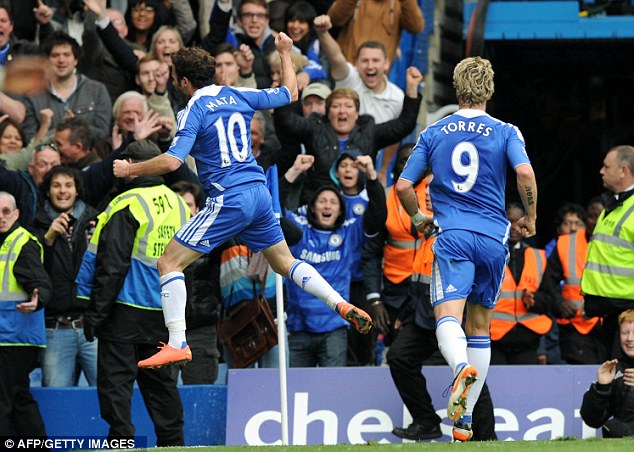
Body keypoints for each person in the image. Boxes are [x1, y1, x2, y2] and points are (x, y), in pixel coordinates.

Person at [111, 34, 373, 369]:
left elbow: (172, 162)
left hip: (229, 197)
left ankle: (177, 342)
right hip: (258, 193)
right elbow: (290, 94)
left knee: (169, 264)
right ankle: (339, 303)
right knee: (284, 263)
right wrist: (284, 53)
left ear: (185, 81)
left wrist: (130, 169)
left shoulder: (192, 109)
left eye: (175, 78)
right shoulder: (237, 94)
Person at [395, 56, 538, 441]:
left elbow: (403, 187)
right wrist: (531, 216)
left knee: (448, 318)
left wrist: (419, 218)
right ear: (489, 90)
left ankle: (459, 368)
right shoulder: (507, 130)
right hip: (494, 239)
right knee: (479, 328)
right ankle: (464, 420)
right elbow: (524, 173)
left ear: (457, 89)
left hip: (454, 235)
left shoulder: (435, 131)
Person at [76, 140, 189, 445]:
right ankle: (174, 446)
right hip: (165, 313)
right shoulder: (178, 202)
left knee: (116, 388)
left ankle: (121, 444)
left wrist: (94, 314)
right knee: (163, 390)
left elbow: (112, 265)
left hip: (124, 311)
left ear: (130, 164)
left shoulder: (127, 203)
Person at [388, 175, 497, 442]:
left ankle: (485, 437)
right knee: (399, 357)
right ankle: (426, 421)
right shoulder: (428, 230)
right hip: (424, 318)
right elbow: (419, 277)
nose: (425, 195)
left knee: (468, 375)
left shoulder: (457, 232)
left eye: (432, 191)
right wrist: (405, 314)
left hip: (452, 318)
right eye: (425, 191)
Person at [280, 153, 386, 367]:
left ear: (340, 211)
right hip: (299, 328)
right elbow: (274, 210)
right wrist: (294, 171)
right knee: (296, 393)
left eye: (332, 202)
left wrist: (372, 176)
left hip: (334, 329)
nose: (327, 206)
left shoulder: (349, 232)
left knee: (331, 391)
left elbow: (377, 214)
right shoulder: (299, 230)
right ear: (312, 207)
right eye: (322, 201)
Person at [32, 165, 99, 387]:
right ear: (48, 191)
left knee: (111, 397)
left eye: (68, 185)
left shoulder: (95, 220)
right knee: (56, 399)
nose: (63, 191)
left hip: (92, 328)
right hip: (55, 328)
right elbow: (31, 272)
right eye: (56, 185)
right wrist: (47, 240)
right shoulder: (36, 225)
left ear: (77, 190)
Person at [0, 191, 51, 437]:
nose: (1, 217)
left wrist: (38, 296)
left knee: (3, 398)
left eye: (6, 212)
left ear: (17, 214)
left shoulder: (22, 241)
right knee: (19, 397)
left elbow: (39, 279)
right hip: (11, 336)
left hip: (14, 336)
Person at [582, 145, 634, 357]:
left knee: (625, 382)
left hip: (628, 314)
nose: (601, 171)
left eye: (606, 166)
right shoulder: (614, 204)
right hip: (610, 313)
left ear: (623, 170)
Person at [170, 180, 221, 384]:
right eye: (178, 205)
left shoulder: (213, 238)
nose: (184, 210)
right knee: (161, 398)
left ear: (197, 209)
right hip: (164, 329)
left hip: (202, 328)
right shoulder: (156, 237)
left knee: (200, 395)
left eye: (188, 205)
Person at [21, 31, 113, 143]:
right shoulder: (33, 96)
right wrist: (61, 129)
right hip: (48, 159)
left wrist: (76, 127)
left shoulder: (97, 90)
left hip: (89, 159)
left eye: (67, 55)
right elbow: (29, 141)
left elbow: (103, 133)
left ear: (76, 60)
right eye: (55, 55)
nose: (61, 60)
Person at [490, 202, 552, 364]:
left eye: (518, 222)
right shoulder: (487, 254)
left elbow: (550, 299)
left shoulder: (538, 257)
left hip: (528, 339)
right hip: (494, 338)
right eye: (509, 221)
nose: (513, 227)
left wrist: (535, 299)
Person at [580, 309, 634, 438]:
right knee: (614, 427)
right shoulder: (615, 369)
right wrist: (601, 388)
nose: (630, 338)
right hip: (624, 444)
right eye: (625, 333)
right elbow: (592, 420)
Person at [327, 0, 425, 65]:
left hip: (379, 76)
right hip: (347, 70)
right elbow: (334, 19)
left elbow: (416, 27)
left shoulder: (398, 4)